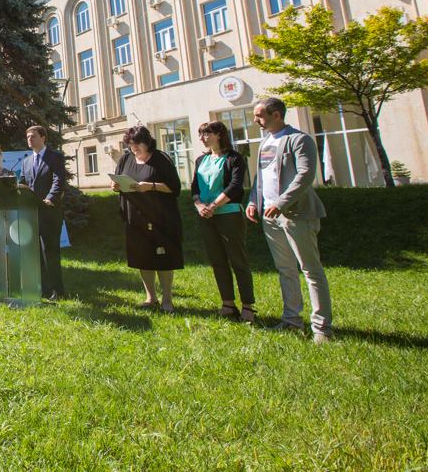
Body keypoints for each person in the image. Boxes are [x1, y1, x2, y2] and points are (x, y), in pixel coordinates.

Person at [247, 97, 333, 344]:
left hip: (296, 215)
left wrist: (281, 203)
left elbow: (305, 175)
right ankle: (292, 320)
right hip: (269, 215)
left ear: (276, 115)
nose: (255, 120)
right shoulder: (265, 142)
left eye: (260, 115)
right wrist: (253, 201)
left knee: (311, 271)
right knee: (285, 269)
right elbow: (260, 177)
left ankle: (322, 328)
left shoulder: (299, 139)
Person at [111, 125, 184, 313]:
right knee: (142, 257)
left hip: (160, 217)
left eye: (137, 144)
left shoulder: (161, 159)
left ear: (147, 142)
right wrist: (116, 185)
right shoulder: (126, 159)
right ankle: (151, 297)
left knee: (163, 258)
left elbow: (174, 187)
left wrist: (150, 186)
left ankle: (167, 299)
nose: (134, 148)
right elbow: (117, 180)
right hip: (135, 218)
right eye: (130, 144)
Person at [192, 121, 255, 323]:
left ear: (219, 134)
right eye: (201, 134)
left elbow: (235, 186)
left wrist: (214, 205)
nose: (202, 138)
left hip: (228, 214)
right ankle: (228, 303)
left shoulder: (234, 158)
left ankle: (248, 306)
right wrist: (200, 206)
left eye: (206, 134)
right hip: (206, 216)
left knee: (238, 260)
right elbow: (194, 188)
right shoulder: (201, 160)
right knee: (217, 261)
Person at [22, 126, 69, 300]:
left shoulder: (55, 157)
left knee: (50, 252)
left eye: (33, 136)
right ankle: (43, 289)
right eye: (28, 137)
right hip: (31, 213)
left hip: (49, 212)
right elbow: (23, 184)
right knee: (35, 253)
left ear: (43, 138)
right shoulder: (26, 161)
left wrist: (50, 198)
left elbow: (59, 180)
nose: (29, 139)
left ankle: (58, 291)